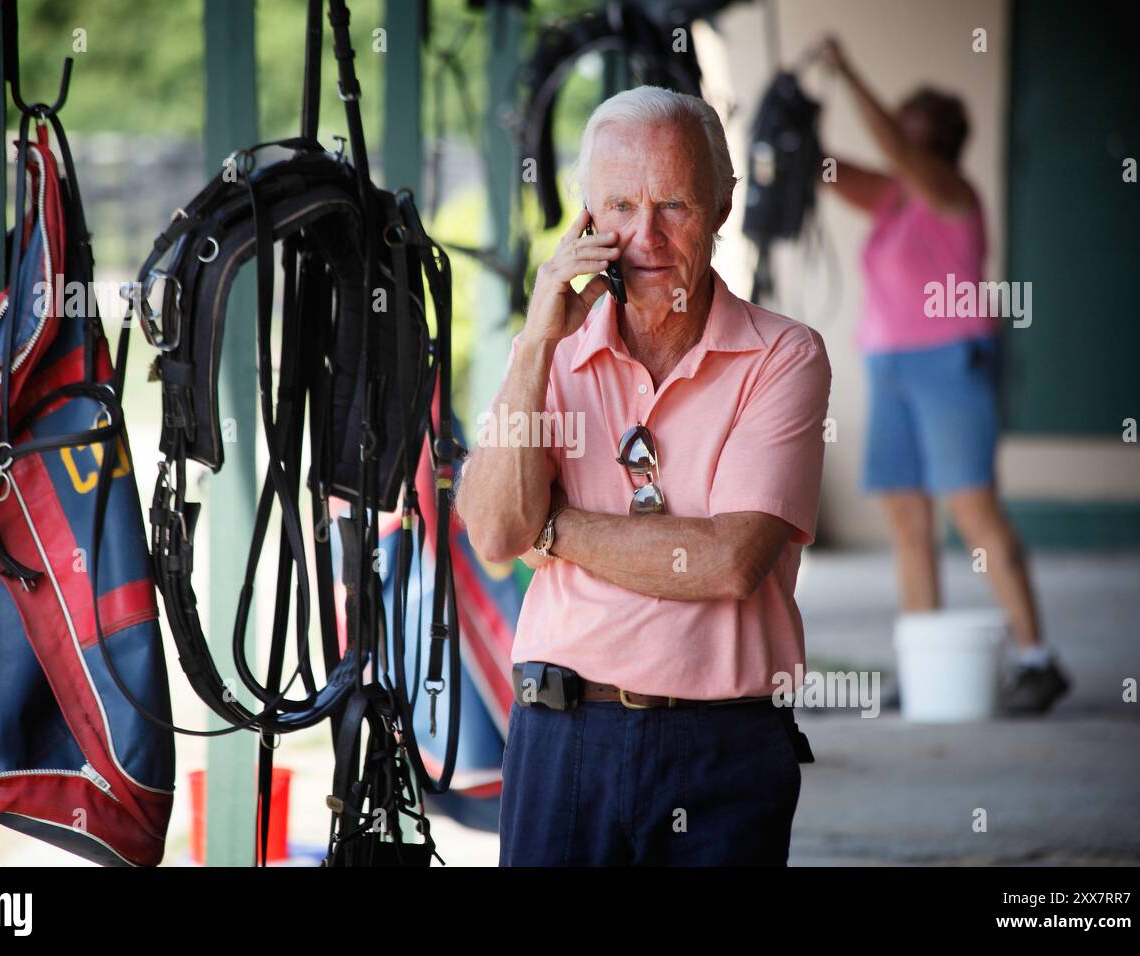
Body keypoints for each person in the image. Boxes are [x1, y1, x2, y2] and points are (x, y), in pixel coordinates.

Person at [455, 85, 831, 866]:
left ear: (723, 206)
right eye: (620, 206)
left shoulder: (783, 355)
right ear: (586, 218)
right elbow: (494, 533)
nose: (646, 236)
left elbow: (730, 560)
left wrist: (553, 528)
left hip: (724, 746)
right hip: (562, 737)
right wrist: (533, 343)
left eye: (674, 206)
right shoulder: (552, 352)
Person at [816, 36, 1069, 714]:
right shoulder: (895, 197)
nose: (901, 140)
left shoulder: (952, 193)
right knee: (905, 515)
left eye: (912, 132)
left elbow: (895, 155)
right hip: (890, 362)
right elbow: (829, 173)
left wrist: (846, 70)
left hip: (950, 360)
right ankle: (925, 663)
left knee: (973, 508)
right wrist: (797, 122)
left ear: (941, 143)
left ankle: (1037, 658)